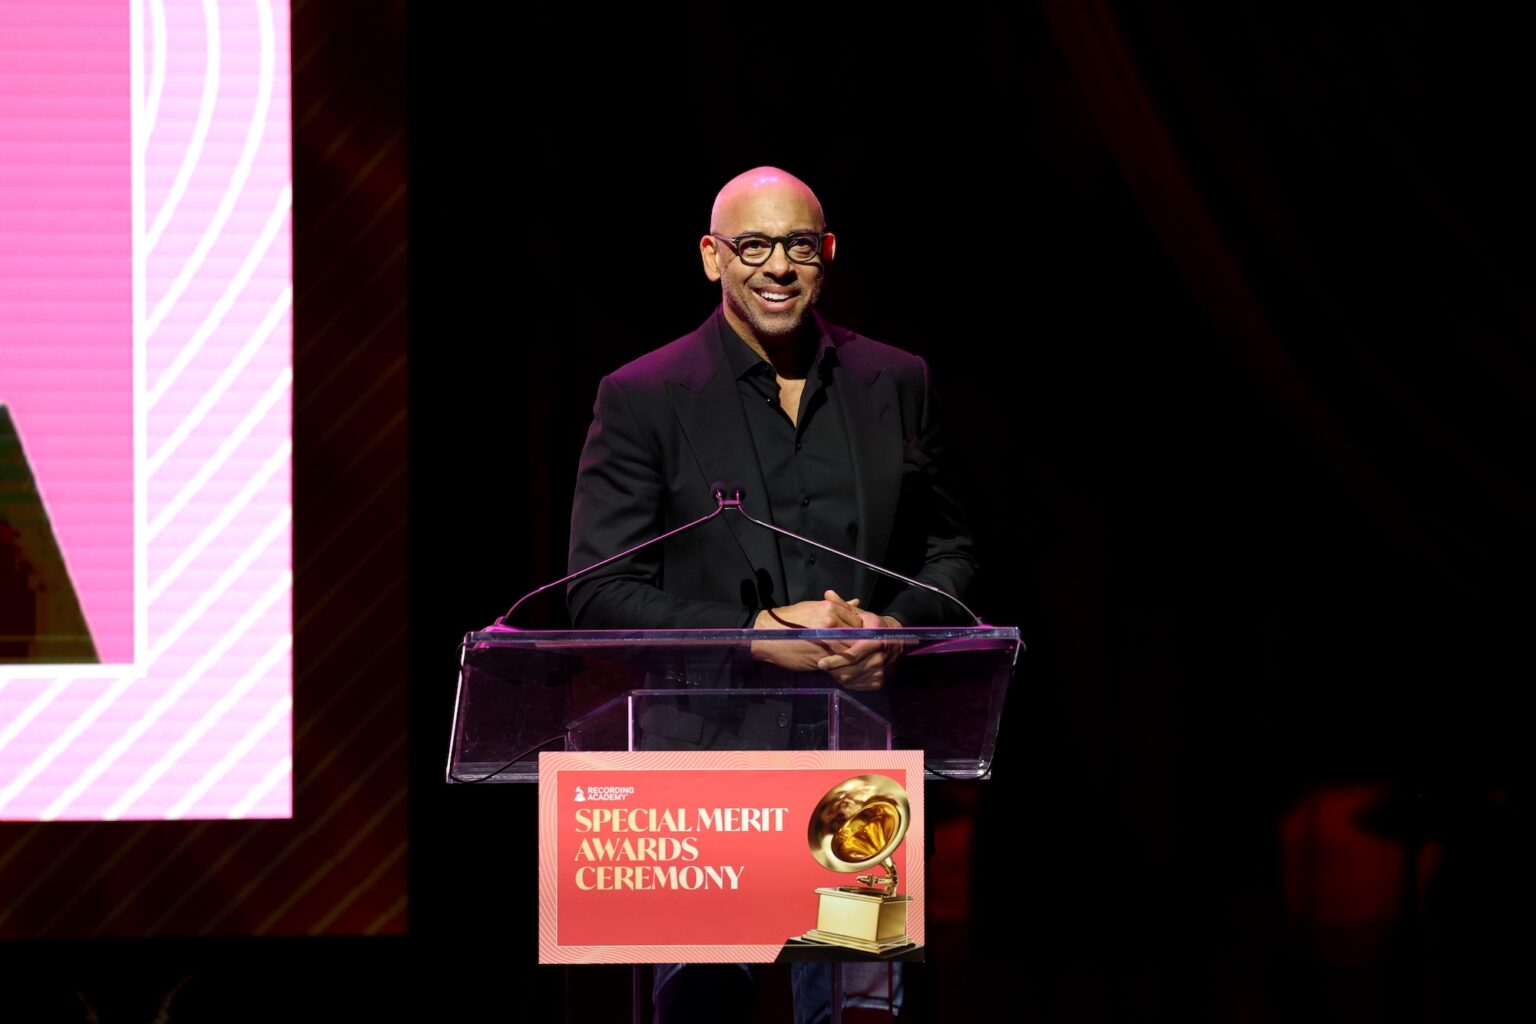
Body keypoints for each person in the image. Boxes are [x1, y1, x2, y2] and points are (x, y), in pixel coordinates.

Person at [565, 167, 977, 1023]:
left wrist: (894, 627)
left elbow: (950, 553)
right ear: (712, 257)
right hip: (705, 780)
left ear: (828, 253)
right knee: (702, 1011)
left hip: (860, 775)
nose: (778, 266)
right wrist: (752, 632)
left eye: (798, 245)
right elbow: (599, 592)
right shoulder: (642, 396)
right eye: (753, 245)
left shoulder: (897, 381)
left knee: (863, 1013)